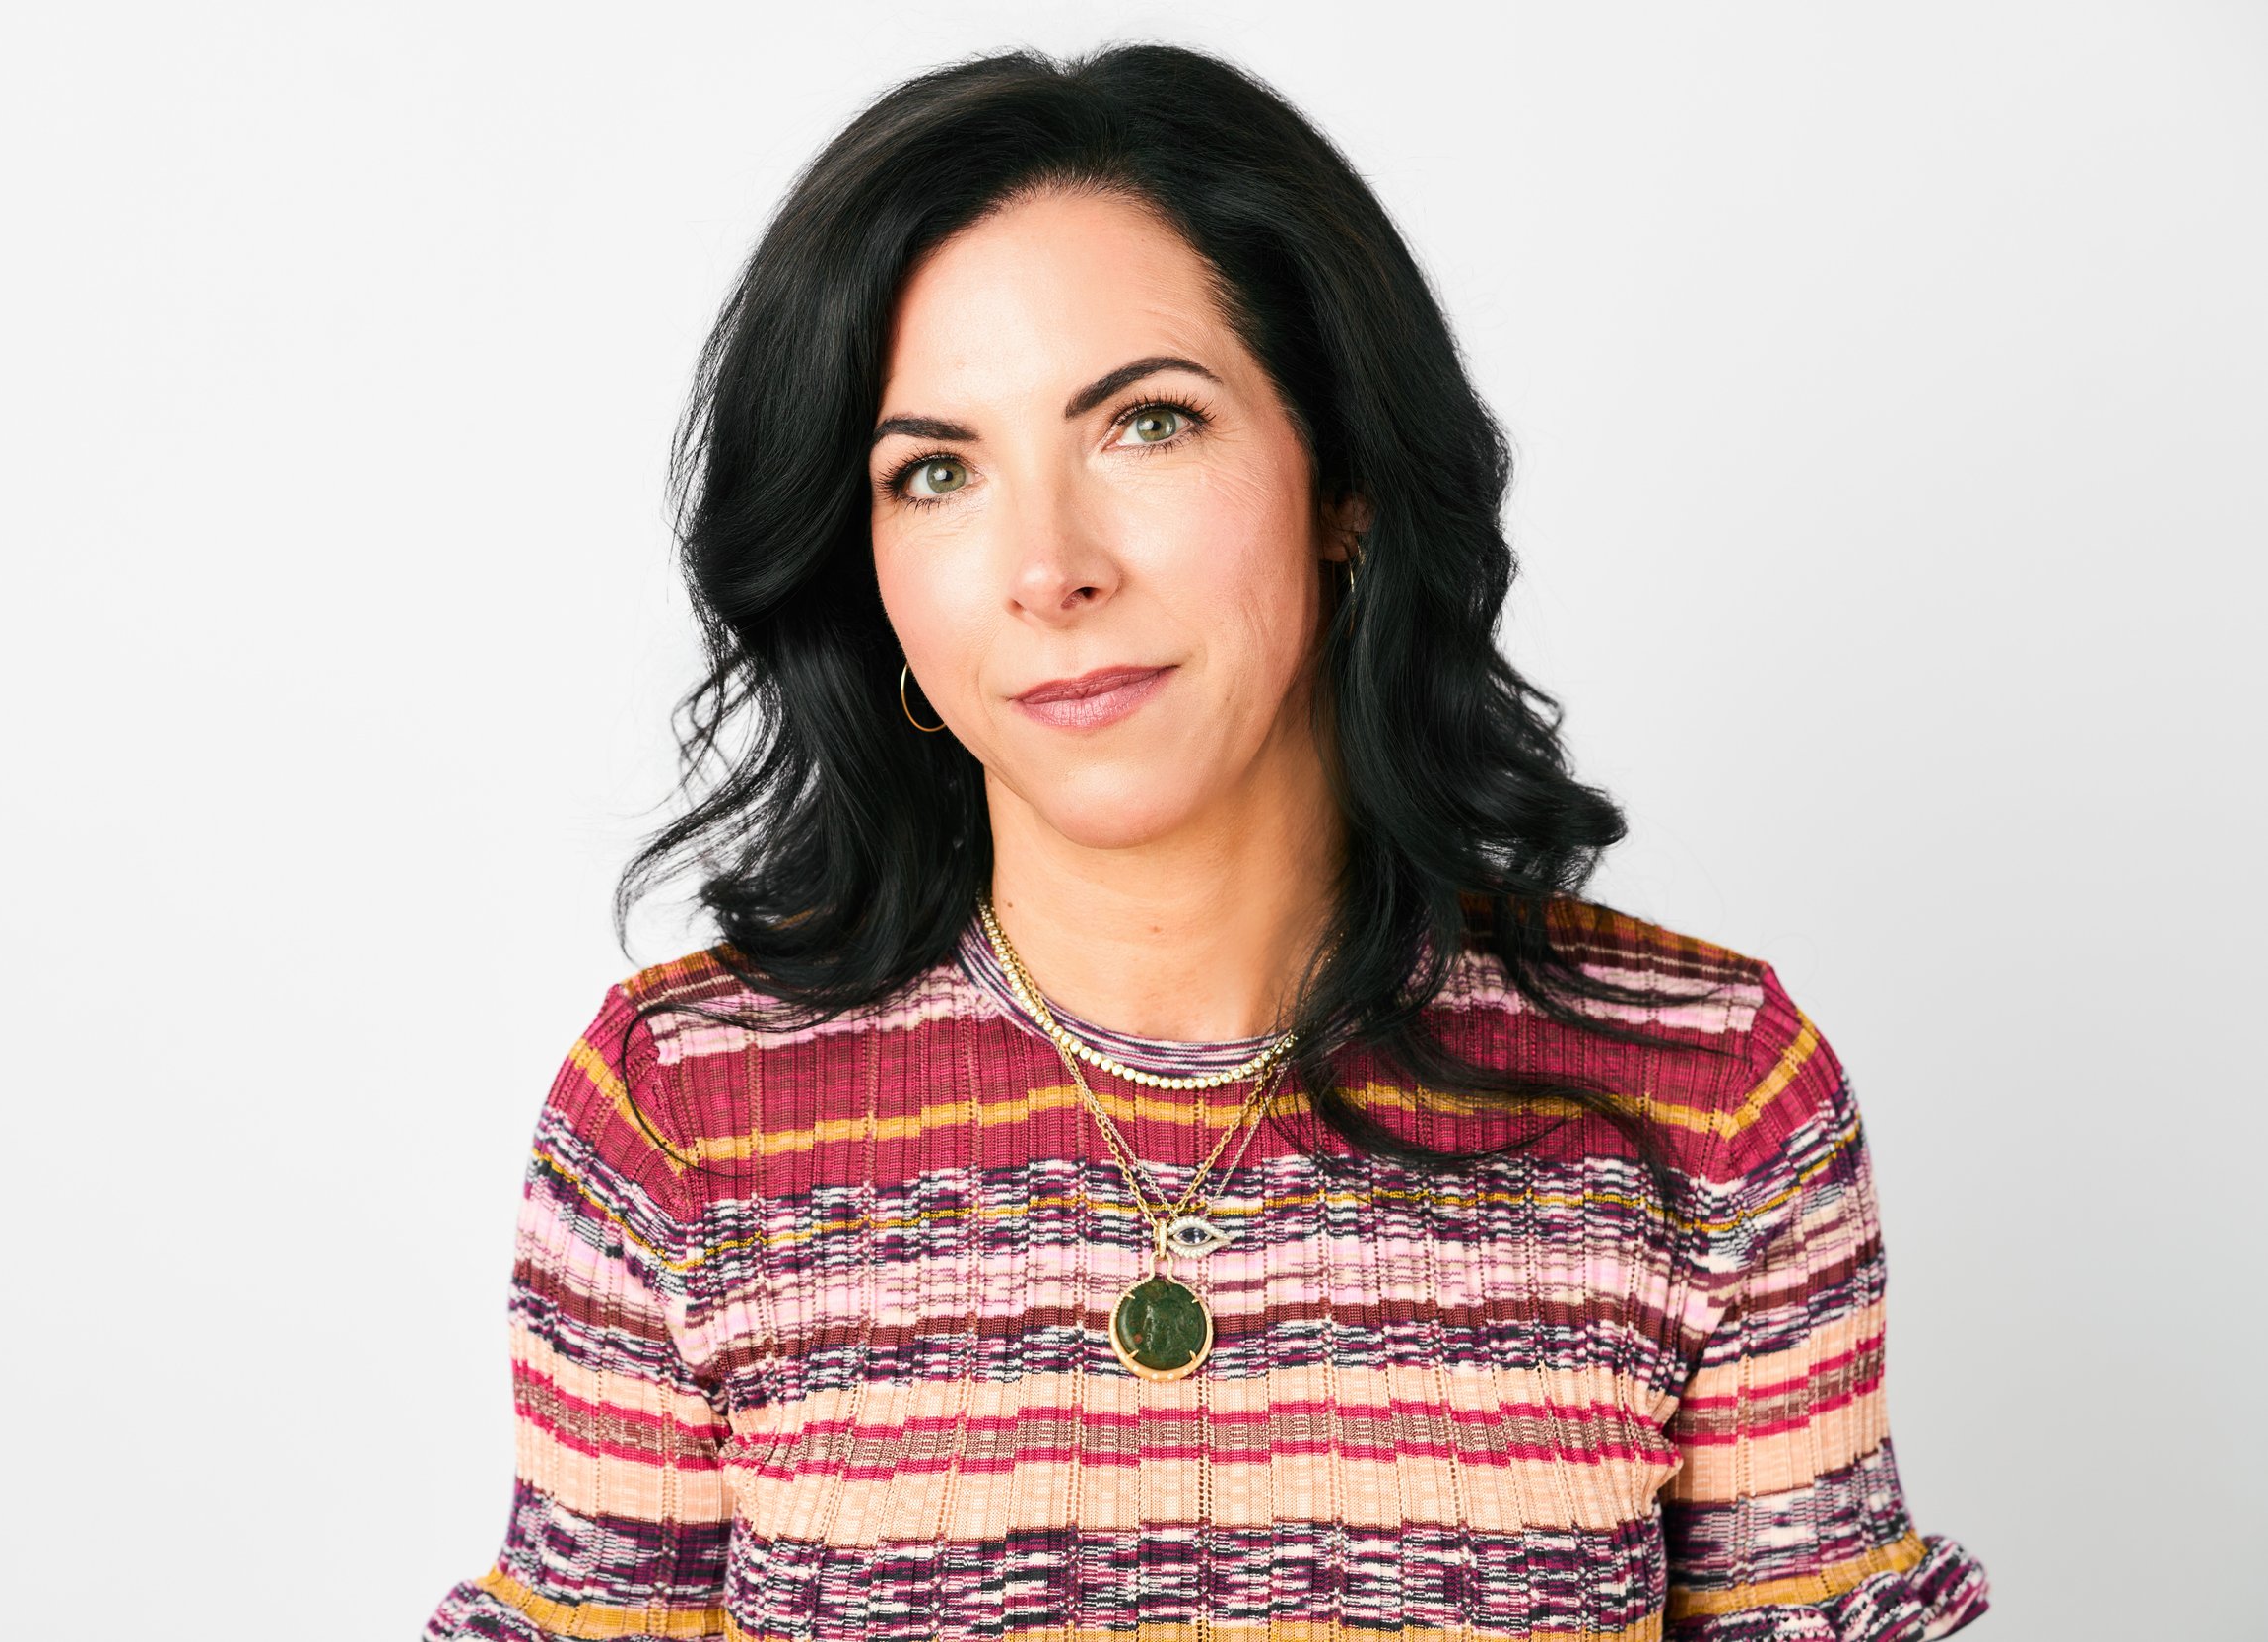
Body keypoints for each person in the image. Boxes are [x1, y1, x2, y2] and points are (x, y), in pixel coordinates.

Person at [421, 42, 1990, 1642]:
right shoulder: (683, 1122)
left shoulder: (1707, 1102)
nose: (1048, 567)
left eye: (1148, 424)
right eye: (937, 472)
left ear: (1345, 478)